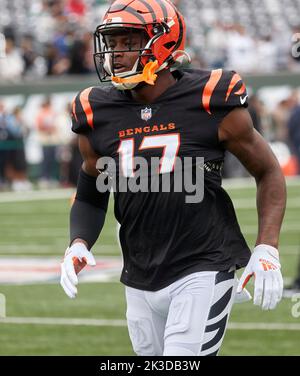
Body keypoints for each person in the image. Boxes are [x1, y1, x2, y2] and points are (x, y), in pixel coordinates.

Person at [60, 0, 286, 356]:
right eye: (112, 42)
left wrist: (267, 246)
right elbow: (91, 189)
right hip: (138, 274)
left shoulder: (210, 97)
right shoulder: (96, 110)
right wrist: (79, 242)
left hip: (203, 265)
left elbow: (268, 170)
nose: (115, 54)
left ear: (162, 41)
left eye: (127, 41)